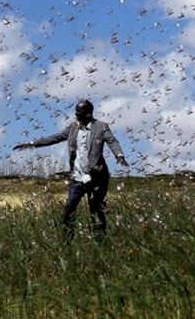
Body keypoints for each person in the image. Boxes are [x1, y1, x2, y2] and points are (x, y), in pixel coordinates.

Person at [13, 99, 129, 241]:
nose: (75, 113)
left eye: (79, 111)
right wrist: (31, 144)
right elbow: (54, 138)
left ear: (88, 113)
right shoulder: (72, 128)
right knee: (69, 209)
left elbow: (112, 141)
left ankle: (101, 243)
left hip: (96, 177)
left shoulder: (101, 127)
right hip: (77, 178)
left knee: (97, 212)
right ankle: (68, 242)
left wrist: (120, 155)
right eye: (75, 110)